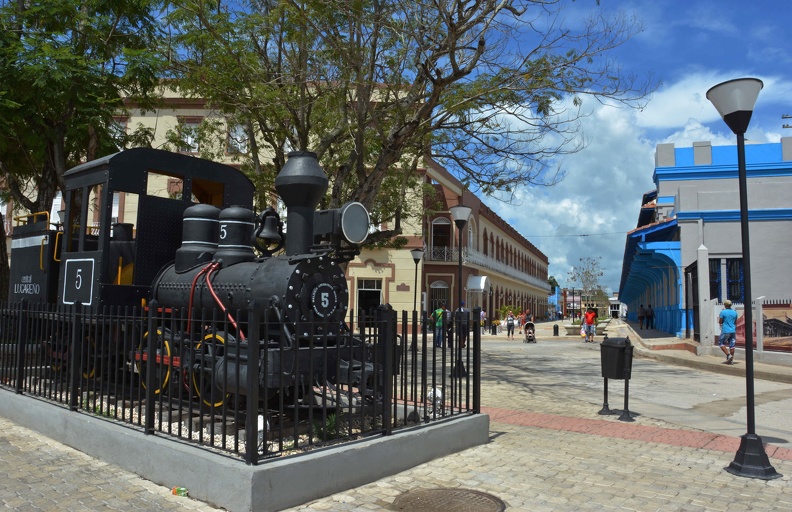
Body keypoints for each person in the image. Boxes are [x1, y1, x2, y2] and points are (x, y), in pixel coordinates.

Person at [718, 299, 738, 365]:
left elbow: (720, 321)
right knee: (732, 345)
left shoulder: (723, 312)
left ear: (725, 305)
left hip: (726, 330)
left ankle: (728, 355)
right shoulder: (735, 312)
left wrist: (722, 322)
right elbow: (735, 322)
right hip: (733, 330)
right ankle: (731, 360)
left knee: (721, 343)